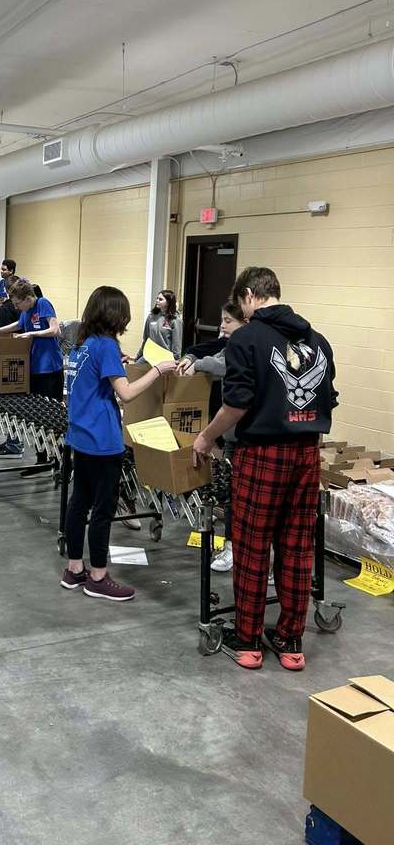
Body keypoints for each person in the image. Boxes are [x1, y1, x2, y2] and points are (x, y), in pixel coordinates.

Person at [192, 267, 337, 672]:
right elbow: (330, 400)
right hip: (308, 454)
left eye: (240, 303)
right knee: (296, 547)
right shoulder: (318, 341)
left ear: (251, 295)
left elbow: (237, 402)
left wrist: (205, 438)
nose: (241, 311)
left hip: (262, 454)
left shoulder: (246, 338)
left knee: (253, 546)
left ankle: (250, 640)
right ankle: (291, 642)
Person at [63, 286, 177, 601]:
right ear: (115, 315)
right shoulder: (106, 346)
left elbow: (97, 381)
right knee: (103, 509)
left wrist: (121, 363)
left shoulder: (82, 344)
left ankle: (74, 569)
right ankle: (97, 576)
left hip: (80, 434)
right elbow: (125, 393)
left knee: (79, 503)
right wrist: (157, 370)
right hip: (102, 439)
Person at [177, 301, 247, 572]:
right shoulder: (230, 343)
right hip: (232, 437)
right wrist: (193, 359)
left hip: (248, 436)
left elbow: (221, 365)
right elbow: (212, 354)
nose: (222, 325)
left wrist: (199, 364)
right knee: (231, 495)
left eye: (228, 320)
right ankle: (231, 545)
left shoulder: (246, 348)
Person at [0, 279, 64, 473]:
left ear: (29, 298)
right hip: (34, 368)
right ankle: (42, 458)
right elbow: (19, 324)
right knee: (37, 416)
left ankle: (57, 458)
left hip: (49, 369)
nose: (16, 307)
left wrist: (32, 335)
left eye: (17, 303)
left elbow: (54, 329)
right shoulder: (26, 311)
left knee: (51, 416)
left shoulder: (43, 304)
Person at [0, 274, 25, 458]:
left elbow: (2, 340)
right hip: (26, 361)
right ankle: (17, 442)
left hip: (9, 361)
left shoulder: (6, 308)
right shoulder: (29, 309)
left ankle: (14, 443)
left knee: (11, 404)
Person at [138, 290, 183, 361]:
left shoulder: (175, 320)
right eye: (157, 298)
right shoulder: (151, 316)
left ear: (168, 302)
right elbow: (146, 339)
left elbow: (177, 344)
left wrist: (176, 361)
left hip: (165, 358)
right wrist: (139, 355)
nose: (157, 301)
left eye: (160, 299)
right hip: (150, 355)